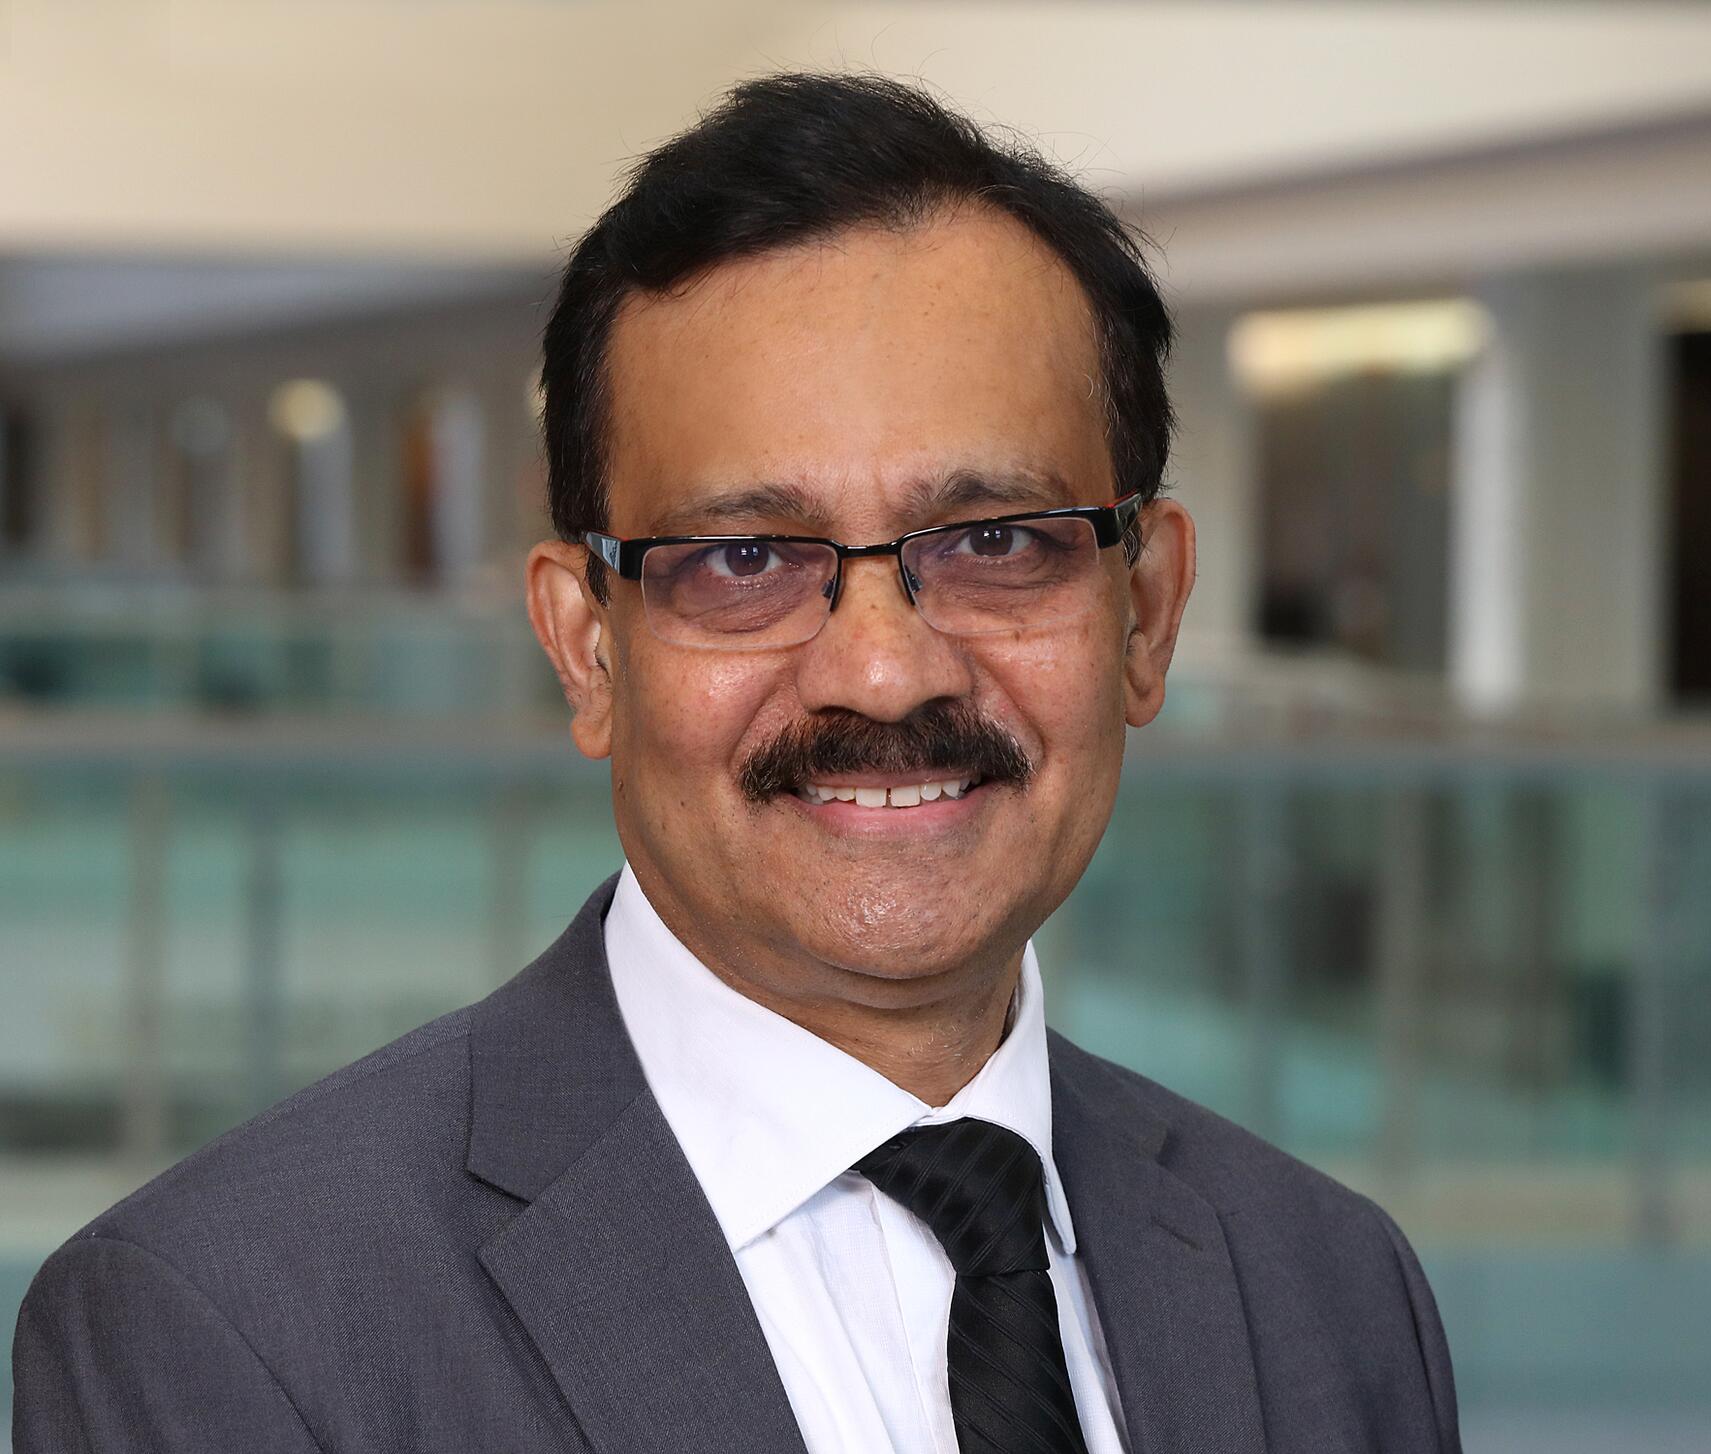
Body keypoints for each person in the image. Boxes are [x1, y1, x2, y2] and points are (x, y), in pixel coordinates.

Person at [12, 73, 1461, 1453]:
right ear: (586, 644)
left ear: (1143, 614)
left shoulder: (1329, 1293)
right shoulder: (229, 1332)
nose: (886, 669)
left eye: (997, 540)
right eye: (746, 558)